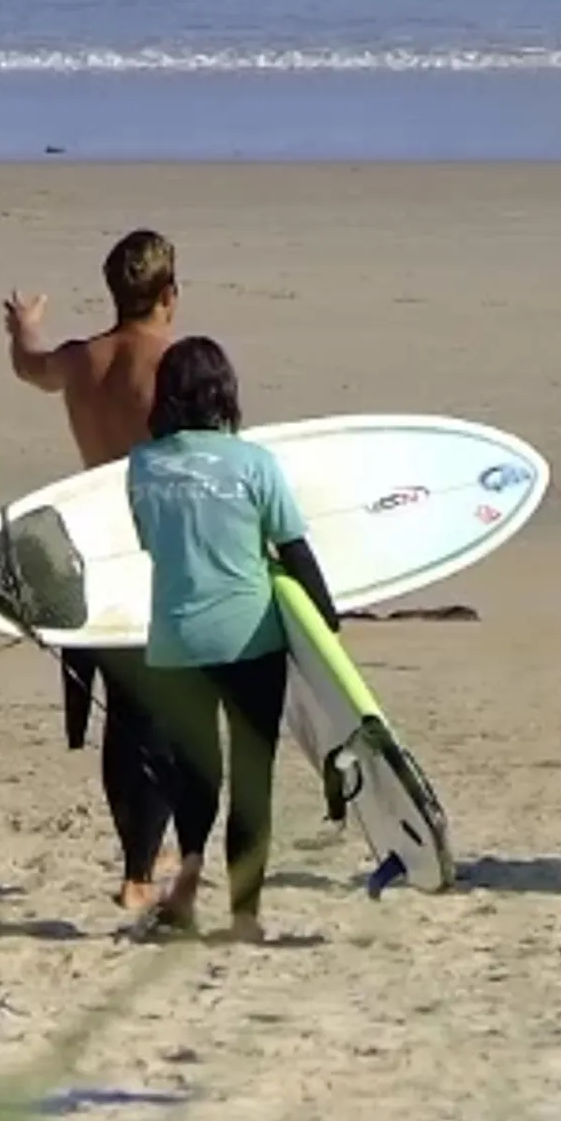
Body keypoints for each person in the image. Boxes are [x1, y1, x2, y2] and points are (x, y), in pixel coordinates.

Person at [119, 336, 338, 944]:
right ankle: (244, 916)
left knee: (196, 773)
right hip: (250, 638)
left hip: (175, 643)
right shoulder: (254, 463)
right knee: (251, 777)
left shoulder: (142, 466)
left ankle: (188, 879)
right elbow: (293, 549)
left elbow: (151, 543)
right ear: (224, 392)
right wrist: (328, 626)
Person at [1, 226, 183, 921]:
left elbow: (30, 367)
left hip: (96, 550)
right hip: (158, 552)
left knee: (126, 714)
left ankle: (142, 857)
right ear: (169, 293)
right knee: (164, 714)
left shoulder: (80, 362)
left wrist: (25, 326)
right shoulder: (173, 364)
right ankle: (139, 870)